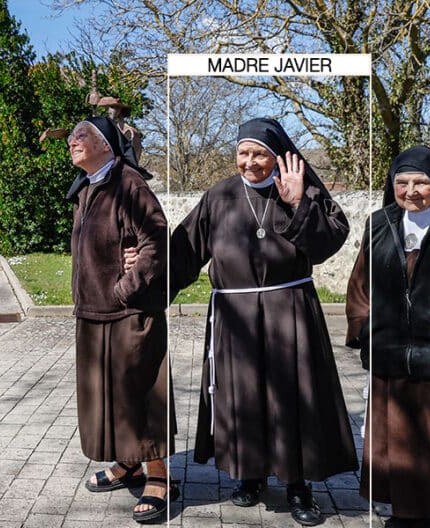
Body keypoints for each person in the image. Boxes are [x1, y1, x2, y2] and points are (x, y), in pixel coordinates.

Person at [163, 117, 358, 526]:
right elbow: (181, 254)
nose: (250, 163)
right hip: (236, 318)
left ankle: (299, 485)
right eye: (243, 154)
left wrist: (297, 202)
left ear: (277, 157)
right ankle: (250, 475)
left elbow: (329, 242)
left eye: (259, 154)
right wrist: (144, 271)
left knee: (293, 399)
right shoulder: (218, 197)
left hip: (290, 313)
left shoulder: (299, 191)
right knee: (244, 397)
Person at [66, 115, 176, 523]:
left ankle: (159, 476)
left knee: (140, 395)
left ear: (106, 146)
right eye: (73, 137)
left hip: (129, 313)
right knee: (108, 398)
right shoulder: (87, 189)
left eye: (82, 136)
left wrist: (125, 286)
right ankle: (128, 464)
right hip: (94, 313)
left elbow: (156, 239)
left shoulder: (129, 184)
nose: (72, 142)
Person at [346, 145, 430, 528]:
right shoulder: (379, 223)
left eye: (421, 182)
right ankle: (407, 514)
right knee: (397, 441)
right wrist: (364, 332)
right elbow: (360, 284)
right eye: (402, 182)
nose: (411, 190)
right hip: (390, 353)